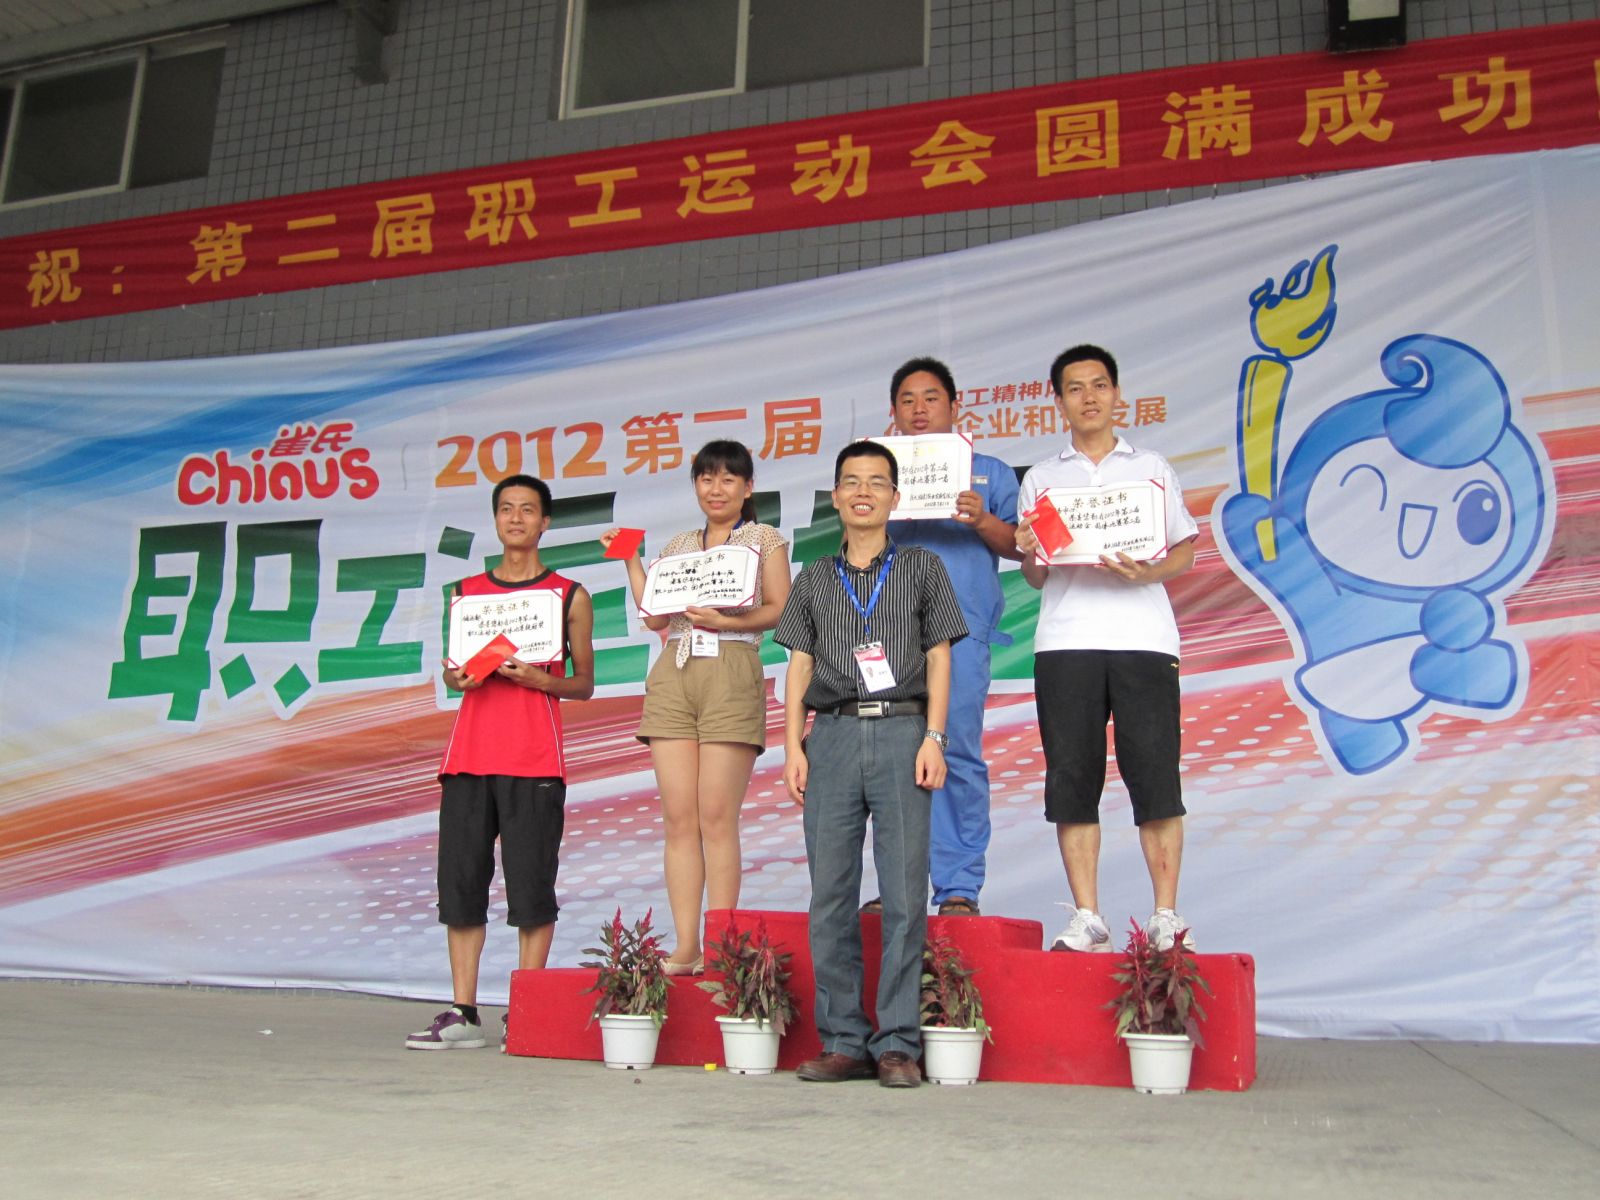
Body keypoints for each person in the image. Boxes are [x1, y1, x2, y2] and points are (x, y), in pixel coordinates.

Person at [775, 440, 967, 1088]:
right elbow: (798, 664)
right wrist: (792, 746)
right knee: (830, 894)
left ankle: (897, 1045)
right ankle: (843, 1042)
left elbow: (940, 656)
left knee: (905, 893)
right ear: (836, 497)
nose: (863, 492)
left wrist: (934, 737)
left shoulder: (921, 566)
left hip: (903, 731)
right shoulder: (813, 577)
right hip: (830, 735)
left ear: (895, 497)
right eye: (851, 482)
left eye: (876, 482)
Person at [1015, 345, 1199, 954]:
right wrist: (1028, 551)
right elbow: (1037, 576)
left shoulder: (1150, 467)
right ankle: (1087, 916)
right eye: (1075, 388)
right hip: (1066, 642)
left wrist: (1148, 573)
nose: (1088, 397)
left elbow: (1183, 549)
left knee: (1156, 776)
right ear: (1059, 401)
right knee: (1072, 779)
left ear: (1117, 394)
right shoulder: (1043, 479)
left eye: (1099, 385)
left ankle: (1166, 915)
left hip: (1144, 639)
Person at [407, 474, 595, 1049]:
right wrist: (456, 678)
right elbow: (454, 669)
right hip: (468, 758)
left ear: (545, 522)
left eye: (528, 510)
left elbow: (584, 683)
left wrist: (539, 678)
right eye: (507, 509)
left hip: (534, 761)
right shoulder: (467, 593)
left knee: (531, 889)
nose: (516, 518)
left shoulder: (568, 594)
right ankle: (463, 1011)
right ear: (496, 521)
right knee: (461, 885)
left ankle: (527, 1008)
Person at [600, 441, 791, 975]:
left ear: (748, 488)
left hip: (731, 665)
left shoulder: (764, 539)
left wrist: (726, 621)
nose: (716, 488)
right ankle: (686, 946)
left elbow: (779, 608)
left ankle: (721, 945)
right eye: (707, 479)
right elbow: (656, 619)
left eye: (728, 479)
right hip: (675, 670)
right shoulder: (680, 544)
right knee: (679, 819)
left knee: (716, 817)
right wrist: (631, 560)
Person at [882, 356, 1020, 917]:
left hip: (962, 632)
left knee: (953, 750)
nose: (919, 409)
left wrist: (982, 520)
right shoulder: (877, 472)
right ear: (893, 412)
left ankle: (958, 886)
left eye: (931, 397)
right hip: (889, 634)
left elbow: (1023, 546)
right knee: (890, 758)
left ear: (955, 405)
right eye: (908, 400)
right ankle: (899, 885)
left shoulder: (989, 472)